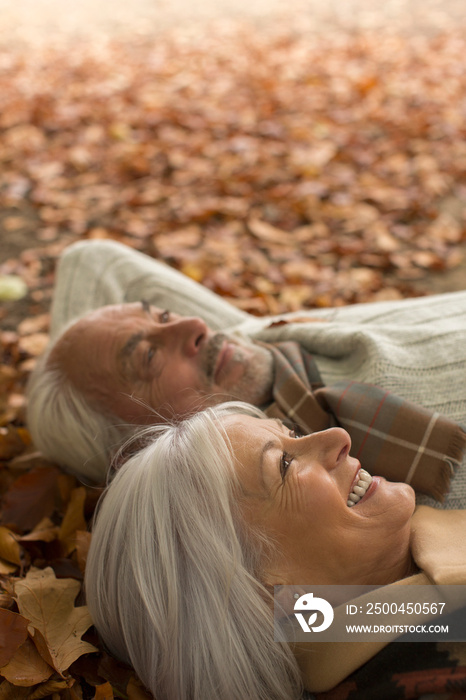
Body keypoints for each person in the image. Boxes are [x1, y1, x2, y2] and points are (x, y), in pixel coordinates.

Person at [27, 239, 466, 507]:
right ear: (141, 452)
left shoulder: (249, 342)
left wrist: (69, 372)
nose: (195, 326)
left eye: (162, 315)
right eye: (147, 357)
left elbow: (92, 260)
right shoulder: (331, 499)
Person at [84, 401, 466, 699]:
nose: (337, 435)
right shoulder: (428, 678)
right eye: (284, 465)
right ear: (267, 595)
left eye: (293, 433)